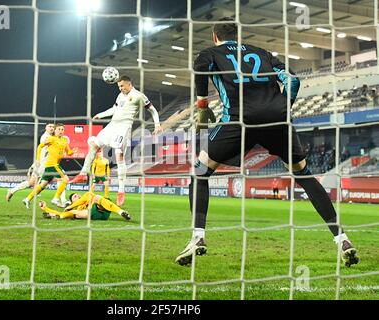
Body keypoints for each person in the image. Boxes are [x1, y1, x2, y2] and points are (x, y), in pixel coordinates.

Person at [175, 17, 359, 268]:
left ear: (215, 36)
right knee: (304, 175)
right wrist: (285, 108)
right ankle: (342, 239)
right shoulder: (262, 53)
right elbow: (292, 80)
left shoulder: (210, 52)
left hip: (240, 120)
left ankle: (198, 237)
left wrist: (202, 105)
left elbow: (200, 69)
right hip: (277, 120)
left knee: (200, 172)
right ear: (237, 36)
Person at [71, 75, 163, 207]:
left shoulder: (138, 96)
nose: (120, 88)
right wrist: (101, 115)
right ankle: (83, 173)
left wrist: (157, 124)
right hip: (112, 125)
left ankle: (121, 190)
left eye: (122, 86)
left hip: (124, 127)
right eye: (119, 86)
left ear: (129, 84)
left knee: (119, 155)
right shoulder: (120, 96)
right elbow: (114, 109)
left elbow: (153, 110)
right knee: (94, 145)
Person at [22, 123, 76, 208]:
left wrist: (73, 151)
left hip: (52, 165)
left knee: (42, 185)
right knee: (65, 179)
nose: (61, 131)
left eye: (62, 129)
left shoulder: (64, 140)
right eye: (59, 129)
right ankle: (56, 198)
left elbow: (68, 152)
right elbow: (40, 147)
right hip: (52, 164)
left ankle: (27, 199)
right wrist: (38, 159)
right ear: (55, 130)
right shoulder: (51, 139)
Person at [6, 123, 55, 201]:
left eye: (53, 127)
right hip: (43, 164)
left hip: (40, 162)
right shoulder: (46, 137)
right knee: (61, 179)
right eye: (50, 126)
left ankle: (12, 191)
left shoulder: (51, 137)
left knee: (31, 183)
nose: (52, 128)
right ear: (46, 127)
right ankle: (59, 200)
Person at [39, 191, 131, 221]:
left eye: (78, 195)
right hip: (90, 213)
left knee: (97, 197)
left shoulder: (86, 198)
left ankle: (121, 212)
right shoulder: (77, 208)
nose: (78, 196)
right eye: (75, 196)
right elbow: (64, 212)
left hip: (104, 213)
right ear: (72, 201)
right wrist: (46, 208)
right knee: (72, 213)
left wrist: (69, 207)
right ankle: (120, 211)